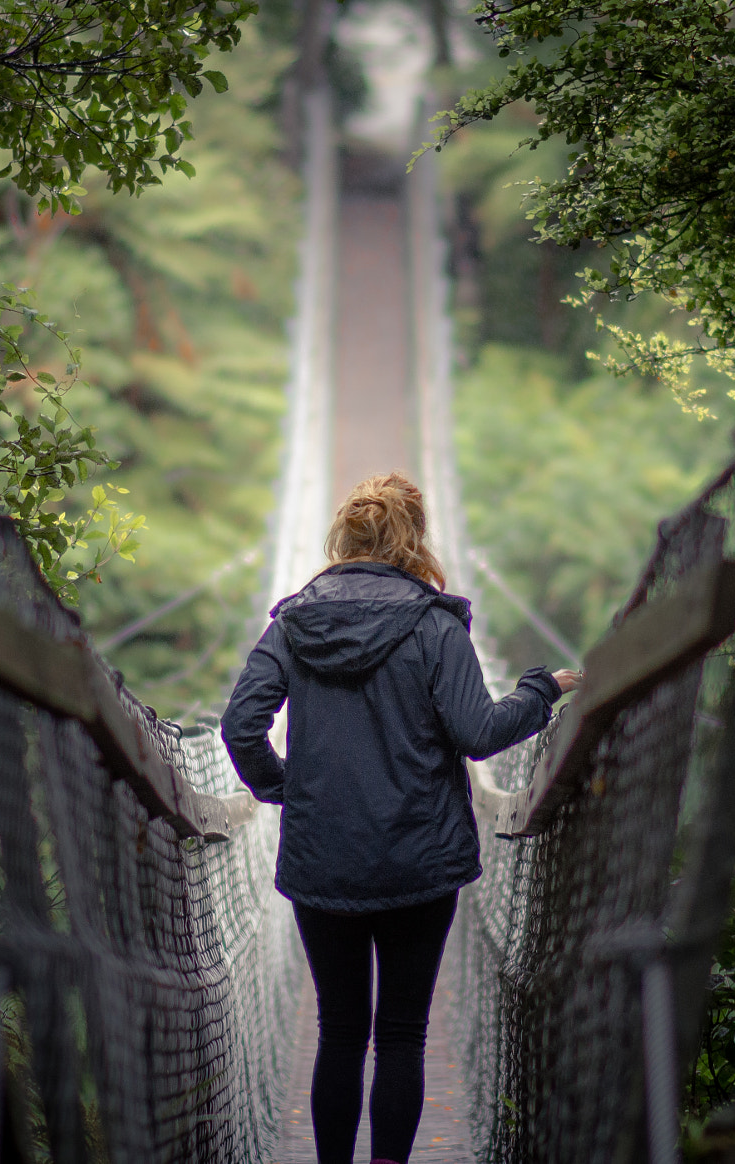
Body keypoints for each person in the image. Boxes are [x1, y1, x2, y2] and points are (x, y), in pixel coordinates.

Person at [222, 471, 579, 1164]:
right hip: (421, 860)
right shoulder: (435, 624)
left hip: (324, 858)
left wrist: (284, 790)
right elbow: (478, 732)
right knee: (402, 1035)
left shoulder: (294, 623)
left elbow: (242, 725)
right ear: (413, 538)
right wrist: (540, 689)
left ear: (344, 537)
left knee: (340, 1030)